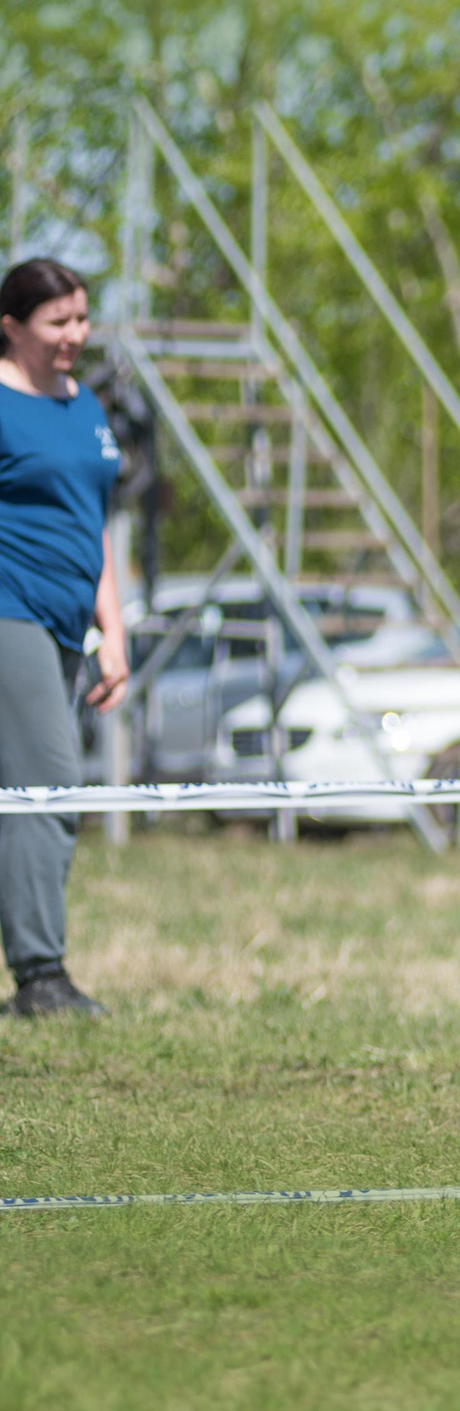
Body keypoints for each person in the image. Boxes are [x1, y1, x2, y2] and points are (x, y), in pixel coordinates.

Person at [0, 258, 127, 1017]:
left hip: (66, 620)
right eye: (58, 322)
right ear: (11, 328)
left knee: (24, 787)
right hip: (7, 610)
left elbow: (93, 524)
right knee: (48, 779)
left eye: (82, 317)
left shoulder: (85, 405)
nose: (75, 334)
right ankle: (41, 975)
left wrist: (113, 629)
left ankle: (35, 964)